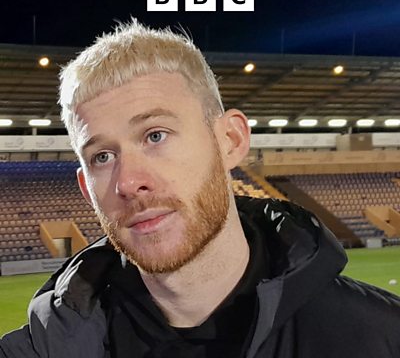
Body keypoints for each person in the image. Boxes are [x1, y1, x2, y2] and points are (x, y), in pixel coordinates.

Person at [1, 19, 400, 358]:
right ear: (87, 190)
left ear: (230, 140)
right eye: (102, 156)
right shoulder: (47, 347)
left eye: (155, 135)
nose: (128, 182)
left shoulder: (381, 337)